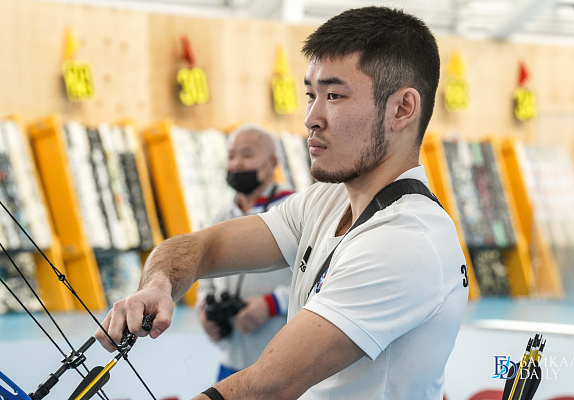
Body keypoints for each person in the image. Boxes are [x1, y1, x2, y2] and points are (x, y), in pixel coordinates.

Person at [97, 6, 468, 399]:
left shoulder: (407, 238)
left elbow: (269, 386)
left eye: (334, 95)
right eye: (310, 95)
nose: (311, 118)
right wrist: (158, 285)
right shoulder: (325, 201)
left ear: (402, 109)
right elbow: (204, 247)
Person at [196, 124, 293, 382]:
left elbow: (322, 281)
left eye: (247, 155)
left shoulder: (294, 211)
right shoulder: (221, 216)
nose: (237, 163)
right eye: (231, 155)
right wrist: (204, 310)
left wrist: (273, 303)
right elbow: (205, 277)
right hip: (230, 361)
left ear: (273, 162)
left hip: (282, 365)